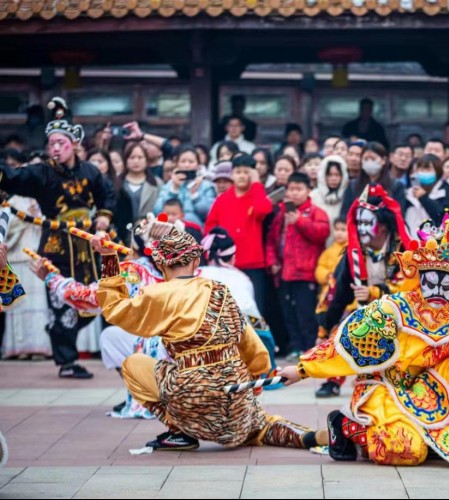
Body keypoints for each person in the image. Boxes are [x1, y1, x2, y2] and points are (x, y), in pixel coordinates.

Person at [279, 212, 449, 468]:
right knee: (405, 451)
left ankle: (428, 431)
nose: (439, 290)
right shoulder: (394, 309)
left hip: (426, 384)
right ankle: (347, 426)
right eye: (432, 280)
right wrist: (302, 370)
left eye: (448, 283)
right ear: (419, 277)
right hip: (385, 387)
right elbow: (347, 345)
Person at [93, 228, 326, 452]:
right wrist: (259, 375)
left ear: (161, 264)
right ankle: (306, 436)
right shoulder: (220, 290)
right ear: (195, 261)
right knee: (261, 424)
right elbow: (248, 340)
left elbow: (114, 309)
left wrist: (108, 258)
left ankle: (179, 432)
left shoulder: (157, 294)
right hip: (236, 394)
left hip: (191, 396)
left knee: (132, 364)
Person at [0, 97, 116, 379]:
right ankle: (66, 361)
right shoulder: (41, 172)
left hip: (86, 246)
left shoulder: (89, 171)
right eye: (51, 143)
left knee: (93, 299)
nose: (55, 148)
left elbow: (107, 194)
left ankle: (62, 340)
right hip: (56, 244)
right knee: (60, 301)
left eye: (60, 143)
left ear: (74, 144)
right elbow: (14, 178)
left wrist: (103, 216)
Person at [30, 214, 170, 417]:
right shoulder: (184, 267)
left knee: (110, 337)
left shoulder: (130, 271)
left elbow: (88, 297)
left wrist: (50, 277)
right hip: (187, 349)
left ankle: (145, 394)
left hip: (159, 349)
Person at [314, 184, 411, 398]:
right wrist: (324, 327)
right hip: (363, 310)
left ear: (383, 226)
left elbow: (408, 286)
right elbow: (336, 292)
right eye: (359, 222)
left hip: (401, 313)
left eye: (367, 223)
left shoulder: (403, 248)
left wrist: (374, 293)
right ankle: (333, 380)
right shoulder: (354, 253)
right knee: (342, 331)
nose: (361, 228)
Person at [266, 172, 330, 358]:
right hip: (284, 272)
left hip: (306, 273)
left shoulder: (316, 212)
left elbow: (322, 233)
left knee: (306, 314)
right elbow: (271, 240)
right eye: (291, 189)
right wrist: (272, 261)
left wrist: (300, 221)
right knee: (289, 314)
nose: (294, 193)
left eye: (298, 189)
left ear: (308, 190)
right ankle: (295, 347)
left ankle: (310, 349)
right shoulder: (282, 213)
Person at [198, 227, 277, 369]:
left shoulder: (197, 274)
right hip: (233, 336)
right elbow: (249, 312)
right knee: (263, 332)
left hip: (200, 336)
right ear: (233, 257)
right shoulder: (241, 278)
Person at [205, 154, 273, 316]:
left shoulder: (256, 195)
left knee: (254, 311)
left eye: (246, 172)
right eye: (238, 172)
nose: (242, 176)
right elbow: (210, 228)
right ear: (232, 174)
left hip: (253, 264)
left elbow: (263, 209)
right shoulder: (223, 199)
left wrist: (256, 183)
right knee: (226, 311)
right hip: (226, 264)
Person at [1, 193, 51, 360]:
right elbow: (4, 232)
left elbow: (45, 226)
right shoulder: (10, 203)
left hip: (34, 258)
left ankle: (39, 347)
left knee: (37, 306)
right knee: (18, 304)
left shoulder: (38, 200)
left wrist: (37, 217)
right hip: (15, 258)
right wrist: (25, 218)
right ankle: (19, 347)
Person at [153, 145, 216, 227]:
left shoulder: (205, 185)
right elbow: (157, 211)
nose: (187, 165)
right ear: (176, 164)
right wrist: (174, 190)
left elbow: (210, 213)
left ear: (198, 164)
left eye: (191, 162)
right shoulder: (169, 186)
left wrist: (195, 196)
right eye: (183, 161)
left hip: (195, 230)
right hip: (171, 230)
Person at [339, 142, 406, 220]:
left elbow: (399, 215)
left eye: (373, 159)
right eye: (366, 159)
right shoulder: (353, 185)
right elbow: (345, 213)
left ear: (383, 160)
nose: (369, 162)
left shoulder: (396, 185)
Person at [114, 142, 163, 245]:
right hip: (120, 234)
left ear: (146, 160)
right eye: (132, 158)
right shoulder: (116, 183)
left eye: (140, 157)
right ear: (125, 160)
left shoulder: (157, 183)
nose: (136, 161)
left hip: (149, 234)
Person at [405, 154, 449, 234]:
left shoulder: (446, 192)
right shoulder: (408, 193)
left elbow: (446, 219)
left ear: (437, 171)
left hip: (435, 242)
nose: (423, 172)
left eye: (427, 169)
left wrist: (424, 198)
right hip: (410, 241)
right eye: (420, 169)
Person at [311, 155, 350, 242]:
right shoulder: (313, 196)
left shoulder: (347, 196)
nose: (334, 179)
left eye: (337, 175)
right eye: (330, 175)